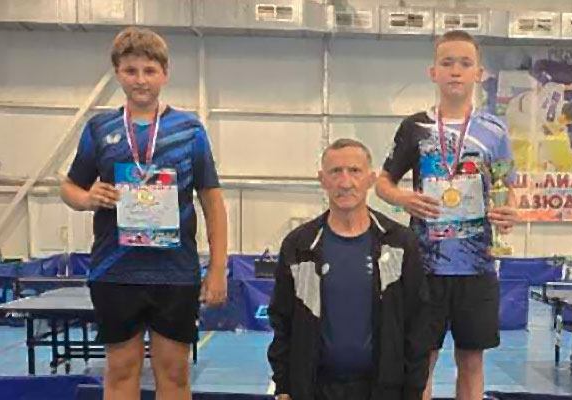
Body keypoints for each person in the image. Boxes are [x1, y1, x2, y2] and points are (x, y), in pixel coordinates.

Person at [60, 27, 228, 400]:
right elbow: (69, 187)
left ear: (164, 73)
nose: (140, 80)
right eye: (131, 70)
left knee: (175, 373)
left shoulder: (189, 130)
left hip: (176, 272)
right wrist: (87, 198)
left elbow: (212, 200)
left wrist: (218, 268)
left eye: (149, 71)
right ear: (118, 73)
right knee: (121, 370)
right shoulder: (99, 128)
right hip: (114, 271)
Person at [375, 30, 518, 400]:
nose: (456, 70)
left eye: (465, 63)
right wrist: (403, 199)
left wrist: (507, 211)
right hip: (425, 265)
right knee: (422, 360)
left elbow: (506, 186)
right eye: (447, 62)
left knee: (471, 360)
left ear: (479, 73)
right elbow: (383, 183)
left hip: (478, 265)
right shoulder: (414, 127)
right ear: (433, 72)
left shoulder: (494, 130)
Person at [267, 139, 430, 400]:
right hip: (314, 390)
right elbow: (282, 321)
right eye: (335, 172)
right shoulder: (299, 245)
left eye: (354, 171)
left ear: (370, 179)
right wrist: (284, 387)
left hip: (383, 390)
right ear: (322, 179)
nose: (345, 183)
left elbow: (418, 324)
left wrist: (414, 390)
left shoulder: (400, 243)